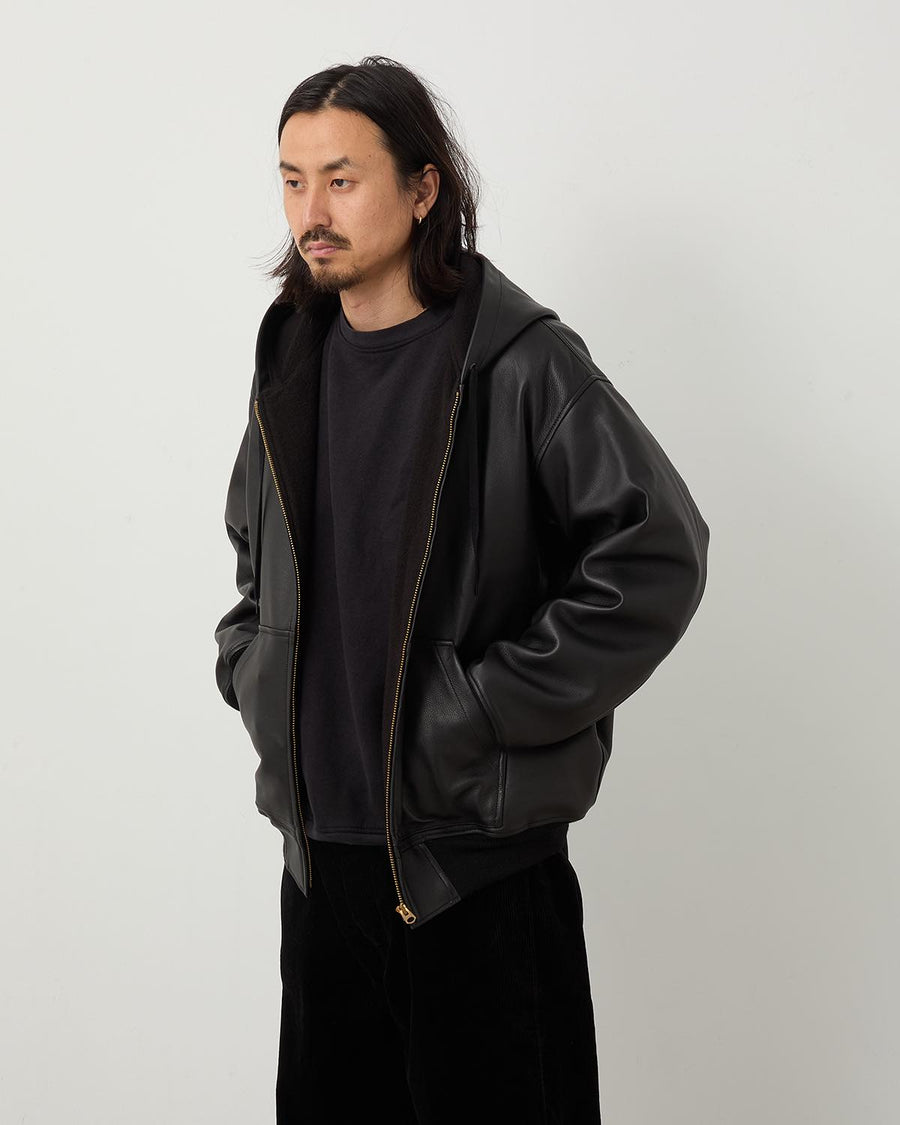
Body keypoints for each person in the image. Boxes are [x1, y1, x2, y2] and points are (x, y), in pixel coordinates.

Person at [213, 54, 710, 1125]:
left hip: (475, 876)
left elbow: (656, 551)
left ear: (423, 188)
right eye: (293, 181)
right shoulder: (292, 361)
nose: (312, 212)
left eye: (342, 179)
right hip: (323, 870)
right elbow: (254, 556)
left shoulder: (519, 363)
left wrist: (481, 708)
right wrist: (251, 668)